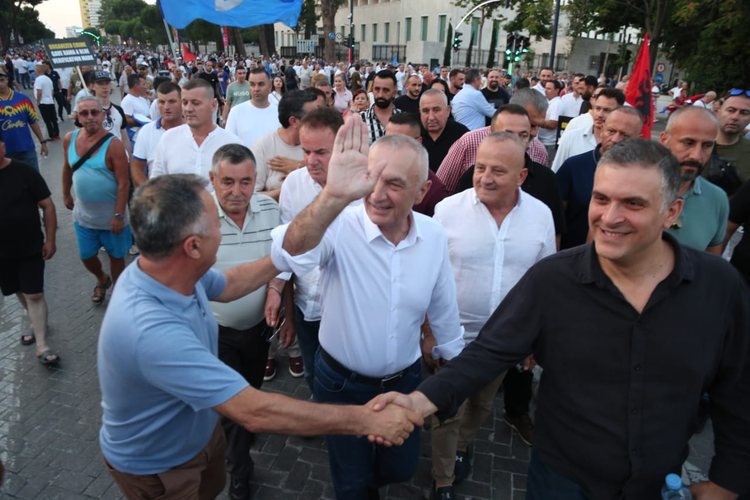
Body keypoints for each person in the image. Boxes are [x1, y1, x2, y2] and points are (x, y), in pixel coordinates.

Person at [371, 138, 750, 500]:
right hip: (560, 479)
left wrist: (727, 481)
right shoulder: (553, 280)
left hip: (658, 481)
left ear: (672, 211)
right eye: (601, 199)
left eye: (633, 204)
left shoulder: (719, 287)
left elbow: (737, 392)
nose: (610, 217)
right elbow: (488, 352)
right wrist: (420, 401)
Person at [98, 169, 422, 499]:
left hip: (198, 435)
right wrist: (366, 420)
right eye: (216, 223)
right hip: (160, 466)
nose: (222, 229)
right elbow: (254, 411)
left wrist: (294, 246)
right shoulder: (150, 332)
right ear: (192, 246)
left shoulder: (169, 270)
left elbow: (232, 283)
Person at [270, 117, 465, 499]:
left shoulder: (434, 235)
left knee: (400, 467)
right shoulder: (338, 223)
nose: (377, 194)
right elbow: (288, 250)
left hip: (405, 384)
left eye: (394, 183)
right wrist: (332, 196)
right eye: (371, 179)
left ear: (422, 191)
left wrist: (453, 365)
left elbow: (443, 303)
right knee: (351, 481)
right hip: (341, 385)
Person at [429, 132, 556, 499]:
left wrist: (535, 338)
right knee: (447, 411)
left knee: (482, 404)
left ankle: (462, 447)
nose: (484, 177)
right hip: (451, 336)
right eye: (480, 167)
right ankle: (443, 479)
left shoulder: (541, 216)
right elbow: (428, 275)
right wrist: (428, 332)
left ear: (521, 176)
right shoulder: (447, 211)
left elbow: (544, 282)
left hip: (504, 340)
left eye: (498, 171)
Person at [207, 144, 284, 499]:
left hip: (258, 330)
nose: (237, 192)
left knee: (251, 389)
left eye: (245, 182)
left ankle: (244, 429)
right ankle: (239, 471)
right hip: (215, 333)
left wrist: (276, 289)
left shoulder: (270, 210)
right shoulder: (197, 217)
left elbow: (283, 259)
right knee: (235, 406)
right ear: (212, 180)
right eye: (227, 182)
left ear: (256, 180)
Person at [276, 107, 348, 392]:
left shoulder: (366, 190)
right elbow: (286, 254)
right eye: (305, 151)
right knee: (312, 376)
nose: (310, 160)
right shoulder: (294, 184)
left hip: (347, 315)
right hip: (306, 308)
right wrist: (287, 310)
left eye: (321, 152)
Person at [61, 96, 131, 304]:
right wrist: (65, 193)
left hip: (112, 218)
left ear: (102, 115)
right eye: (84, 113)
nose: (90, 117)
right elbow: (66, 168)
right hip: (84, 217)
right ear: (77, 116)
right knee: (86, 256)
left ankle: (118, 295)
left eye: (94, 112)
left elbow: (124, 183)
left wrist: (119, 214)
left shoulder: (114, 145)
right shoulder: (69, 139)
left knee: (116, 257)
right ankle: (102, 278)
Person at [0, 133, 59, 365]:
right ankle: (37, 321)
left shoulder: (24, 172)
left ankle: (42, 345)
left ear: (3, 146)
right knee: (18, 289)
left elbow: (48, 205)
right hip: (2, 253)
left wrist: (50, 239)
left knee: (34, 293)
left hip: (30, 245)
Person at [556, 107, 644, 249]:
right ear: (602, 130)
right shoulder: (573, 167)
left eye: (625, 135)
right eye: (611, 131)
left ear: (638, 139)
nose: (616, 139)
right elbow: (555, 219)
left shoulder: (645, 176)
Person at [437, 89, 550, 195]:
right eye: (532, 125)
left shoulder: (539, 151)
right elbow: (442, 187)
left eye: (539, 126)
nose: (534, 133)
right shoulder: (468, 142)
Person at [660, 106, 729, 254]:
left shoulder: (717, 199)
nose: (696, 156)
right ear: (664, 140)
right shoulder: (630, 187)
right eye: (688, 143)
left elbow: (711, 261)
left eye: (707, 145)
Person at [150, 79, 241, 186]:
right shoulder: (168, 139)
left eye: (195, 103)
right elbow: (156, 184)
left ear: (213, 105)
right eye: (185, 103)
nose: (188, 109)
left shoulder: (232, 144)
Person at [251, 90, 321, 201]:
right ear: (294, 121)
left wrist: (302, 167)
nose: (320, 120)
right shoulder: (263, 147)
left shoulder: (322, 143)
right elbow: (251, 197)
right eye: (313, 116)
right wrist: (289, 187)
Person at [385, 112, 450, 217]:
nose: (392, 147)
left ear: (418, 142)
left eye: (400, 142)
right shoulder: (371, 175)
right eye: (387, 140)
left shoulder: (434, 193)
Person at [551, 88, 624, 172]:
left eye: (607, 110)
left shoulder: (623, 145)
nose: (600, 114)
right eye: (597, 108)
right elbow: (556, 171)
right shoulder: (570, 138)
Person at [131, 82, 184, 187]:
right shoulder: (146, 131)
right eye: (161, 102)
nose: (166, 107)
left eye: (172, 101)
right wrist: (149, 191)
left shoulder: (193, 130)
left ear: (182, 102)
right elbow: (136, 167)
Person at [0, 67, 48, 171]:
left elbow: (33, 122)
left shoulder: (23, 99)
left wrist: (43, 142)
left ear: (7, 79)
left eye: (2, 80)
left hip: (27, 149)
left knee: (33, 179)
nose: (0, 84)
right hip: (4, 154)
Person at [225, 68, 280, 149]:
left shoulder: (279, 112)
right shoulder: (236, 112)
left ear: (270, 87)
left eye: (261, 84)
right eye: (252, 84)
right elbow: (228, 145)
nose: (256, 89)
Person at [419, 89, 468, 172]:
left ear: (448, 111)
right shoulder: (413, 134)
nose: (431, 117)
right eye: (425, 111)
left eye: (436, 110)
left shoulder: (462, 137)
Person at [713, 89, 750, 182]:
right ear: (718, 112)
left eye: (744, 113)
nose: (735, 117)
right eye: (731, 110)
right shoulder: (695, 146)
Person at [91, 70, 131, 155]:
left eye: (107, 83)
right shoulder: (88, 112)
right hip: (99, 158)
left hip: (119, 157)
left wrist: (130, 157)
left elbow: (125, 137)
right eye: (100, 84)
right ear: (93, 86)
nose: (105, 87)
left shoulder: (119, 110)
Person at [360, 70, 401, 144]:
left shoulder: (403, 120)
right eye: (377, 89)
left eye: (386, 90)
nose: (380, 95)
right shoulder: (360, 119)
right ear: (372, 90)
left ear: (394, 92)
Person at [33, 63, 59, 141]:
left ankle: (51, 135)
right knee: (53, 119)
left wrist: (38, 101)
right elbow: (52, 91)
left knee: (47, 120)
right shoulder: (48, 79)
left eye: (35, 70)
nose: (35, 71)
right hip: (50, 101)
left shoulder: (38, 79)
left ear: (38, 70)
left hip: (43, 102)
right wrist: (50, 97)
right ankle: (56, 134)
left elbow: (39, 92)